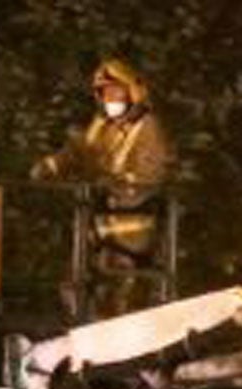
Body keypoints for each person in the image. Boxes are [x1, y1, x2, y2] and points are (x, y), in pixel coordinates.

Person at [31, 57, 173, 317]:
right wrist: (51, 166)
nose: (110, 99)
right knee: (75, 281)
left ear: (132, 91)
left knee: (119, 290)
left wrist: (112, 183)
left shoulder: (147, 128)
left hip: (132, 224)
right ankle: (84, 329)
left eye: (116, 91)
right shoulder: (103, 125)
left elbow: (148, 175)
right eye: (105, 93)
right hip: (100, 222)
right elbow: (80, 151)